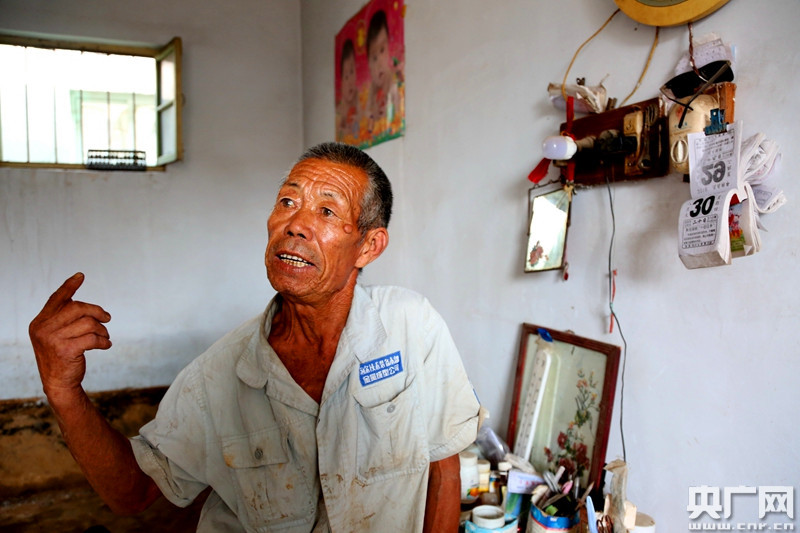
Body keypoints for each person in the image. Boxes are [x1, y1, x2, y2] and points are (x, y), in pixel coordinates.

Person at [29, 142, 482, 532]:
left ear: (369, 246)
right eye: (287, 202)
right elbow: (134, 493)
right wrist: (64, 391)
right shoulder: (218, 375)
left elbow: (442, 465)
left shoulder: (410, 326)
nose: (295, 224)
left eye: (326, 210)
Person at [366, 9, 402, 136]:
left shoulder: (392, 80)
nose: (379, 62)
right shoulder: (372, 89)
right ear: (369, 66)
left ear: (389, 50)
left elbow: (398, 109)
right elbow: (367, 115)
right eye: (374, 58)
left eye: (382, 50)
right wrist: (374, 114)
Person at [336, 39, 361, 143]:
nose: (350, 81)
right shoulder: (341, 107)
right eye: (346, 77)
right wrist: (345, 130)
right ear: (341, 83)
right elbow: (340, 132)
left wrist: (358, 119)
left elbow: (362, 116)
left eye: (352, 72)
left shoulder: (358, 97)